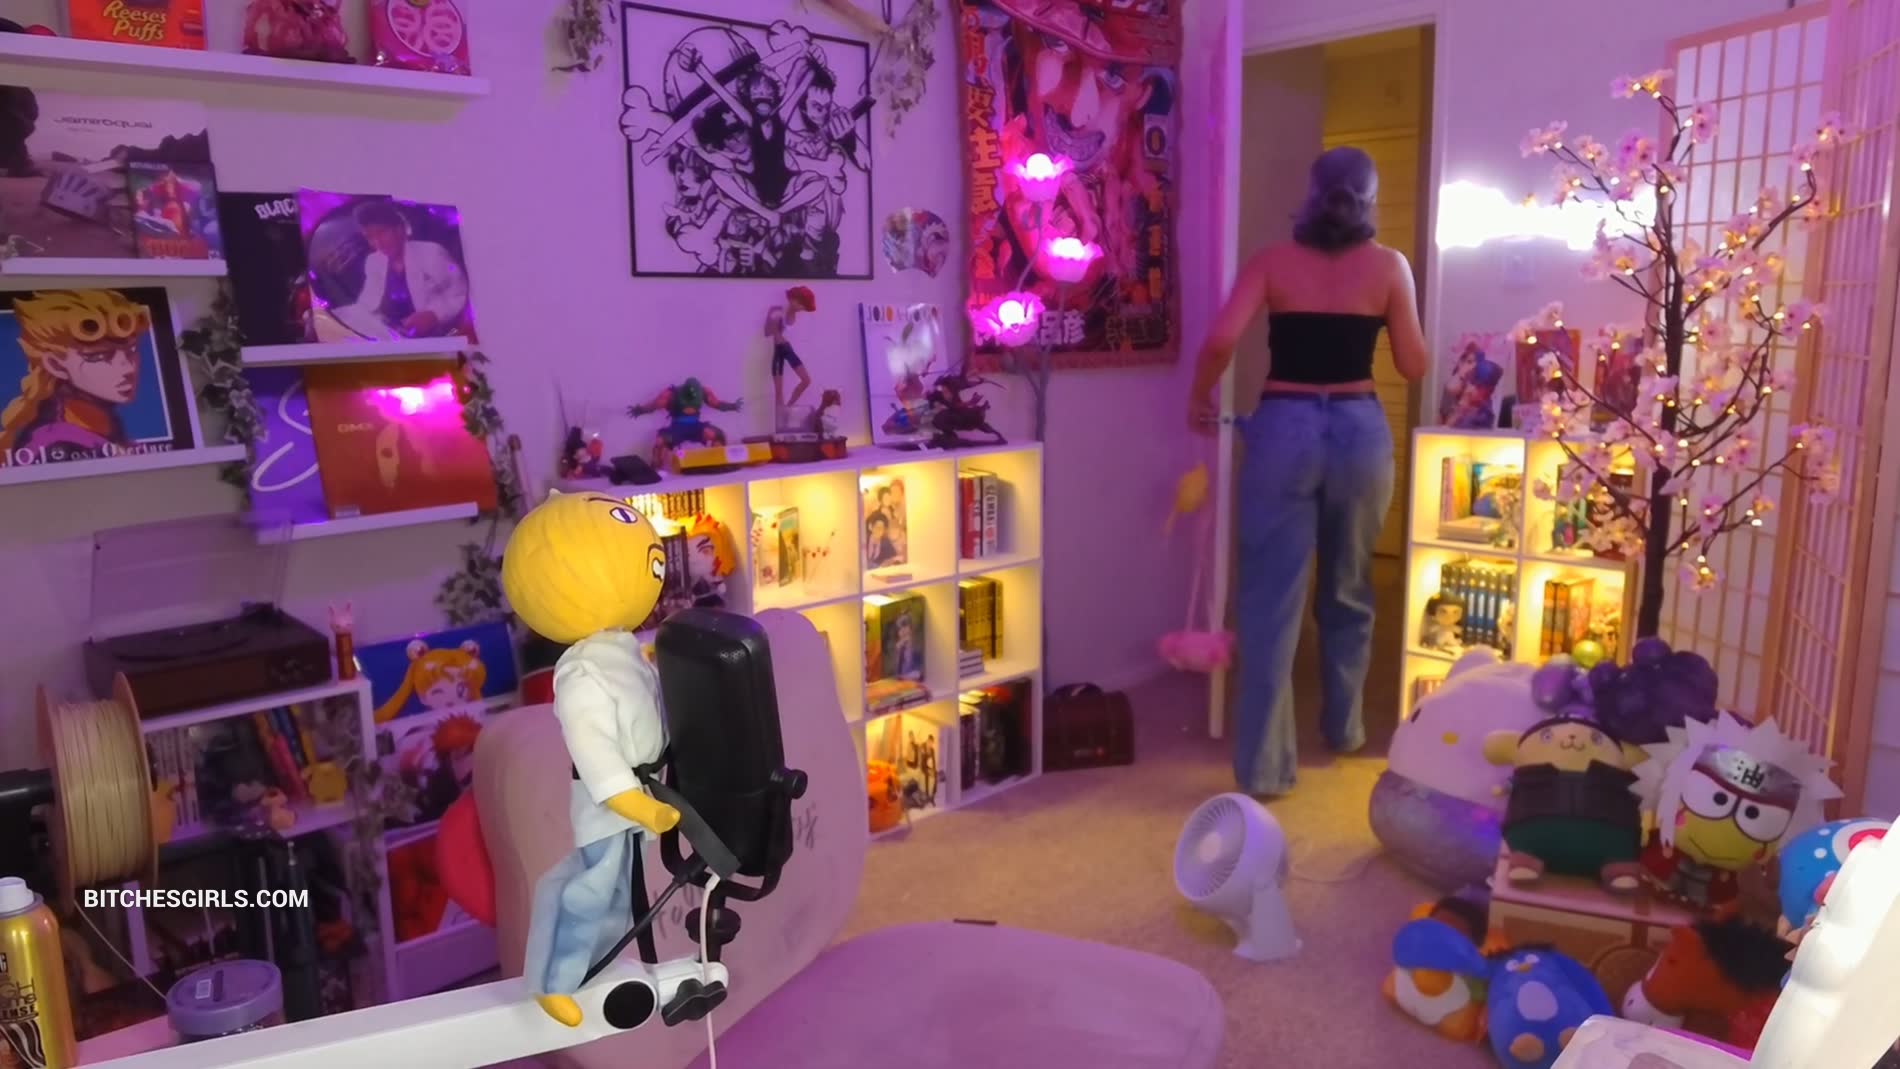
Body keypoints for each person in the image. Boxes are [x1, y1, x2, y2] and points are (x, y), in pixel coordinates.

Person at [1187, 146, 1429, 797]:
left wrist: (1198, 397)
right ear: (1370, 200)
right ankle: (1344, 728)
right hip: (1358, 430)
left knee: (1271, 598)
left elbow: (1220, 340)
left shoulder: (1271, 261)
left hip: (1284, 426)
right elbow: (1412, 365)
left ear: (1311, 193)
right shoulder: (1390, 266)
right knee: (1349, 585)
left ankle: (1266, 769)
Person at [333, 200, 469, 339]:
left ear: (400, 229)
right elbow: (367, 303)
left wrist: (435, 315)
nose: (377, 243)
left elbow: (460, 293)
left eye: (382, 233)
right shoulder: (373, 261)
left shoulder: (432, 253)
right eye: (370, 237)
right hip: (387, 332)